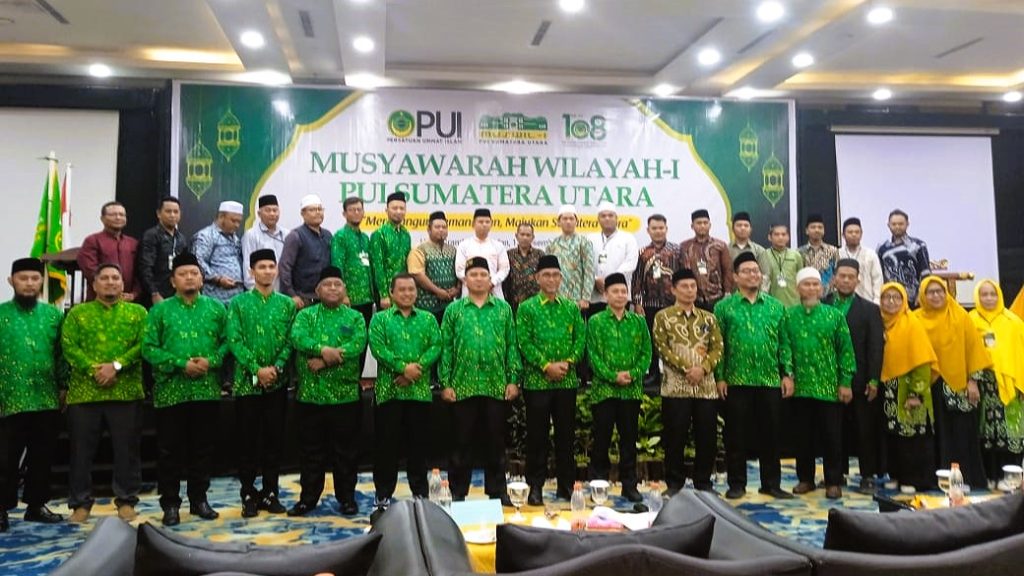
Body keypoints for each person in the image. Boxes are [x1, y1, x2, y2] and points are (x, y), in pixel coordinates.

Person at [142, 252, 227, 526]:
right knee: (170, 452)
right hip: (171, 393)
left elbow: (228, 342)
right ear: (172, 280)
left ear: (201, 279)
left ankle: (199, 500)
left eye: (194, 273)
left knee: (203, 449)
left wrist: (211, 361)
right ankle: (170, 504)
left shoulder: (216, 309)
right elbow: (149, 348)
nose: (189, 277)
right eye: (183, 274)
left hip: (206, 390)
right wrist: (181, 364)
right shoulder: (159, 311)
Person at [62, 263, 147, 523]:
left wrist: (116, 366)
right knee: (80, 452)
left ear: (123, 283)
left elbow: (144, 344)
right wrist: (95, 370)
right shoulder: (78, 314)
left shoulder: (138, 312)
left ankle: (126, 500)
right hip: (85, 394)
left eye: (115, 278)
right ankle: (80, 504)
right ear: (94, 284)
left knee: (127, 450)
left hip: (125, 392)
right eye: (105, 278)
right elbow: (69, 347)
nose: (110, 282)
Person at [287, 266, 367, 517]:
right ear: (318, 290)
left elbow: (357, 344)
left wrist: (324, 361)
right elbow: (297, 338)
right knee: (311, 453)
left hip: (345, 397)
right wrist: (324, 349)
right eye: (328, 284)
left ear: (344, 290)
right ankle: (308, 499)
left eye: (337, 284)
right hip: (311, 397)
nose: (333, 288)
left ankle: (347, 499)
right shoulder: (306, 316)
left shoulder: (355, 317)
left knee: (346, 454)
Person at [440, 257, 520, 505]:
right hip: (462, 385)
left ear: (490, 279)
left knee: (496, 442)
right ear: (465, 279)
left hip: (496, 385)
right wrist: (446, 383)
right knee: (461, 442)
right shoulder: (454, 310)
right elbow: (446, 347)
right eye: (473, 275)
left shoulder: (503, 309)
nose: (478, 279)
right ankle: (458, 492)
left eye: (483, 275)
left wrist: (513, 380)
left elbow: (511, 346)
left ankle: (497, 492)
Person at [714, 252, 794, 500]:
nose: (753, 275)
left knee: (771, 435)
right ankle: (737, 484)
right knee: (736, 435)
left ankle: (771, 484)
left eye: (756, 271)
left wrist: (787, 373)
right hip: (736, 379)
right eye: (747, 271)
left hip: (769, 379)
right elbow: (718, 345)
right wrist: (720, 377)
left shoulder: (775, 306)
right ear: (735, 277)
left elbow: (784, 342)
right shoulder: (723, 307)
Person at [226, 249, 295, 518]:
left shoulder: (286, 304)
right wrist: (257, 370)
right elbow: (235, 340)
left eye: (271, 266)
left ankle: (270, 492)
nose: (267, 271)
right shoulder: (238, 303)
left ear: (276, 270)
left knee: (273, 441)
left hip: (277, 383)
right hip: (248, 384)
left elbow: (290, 340)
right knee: (248, 442)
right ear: (251, 271)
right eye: (261, 267)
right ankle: (248, 493)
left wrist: (276, 369)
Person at [0, 258, 65, 532]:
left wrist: (63, 386)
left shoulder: (53, 315)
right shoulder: (1, 314)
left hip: (46, 397)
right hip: (9, 398)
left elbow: (61, 355)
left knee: (42, 455)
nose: (29, 283)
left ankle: (36, 505)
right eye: (23, 278)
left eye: (34, 279)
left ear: (41, 282)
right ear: (11, 281)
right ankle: (1, 509)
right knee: (5, 457)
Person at [516, 255, 585, 505]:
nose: (551, 279)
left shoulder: (571, 308)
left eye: (555, 275)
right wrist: (546, 365)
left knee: (566, 436)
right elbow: (524, 342)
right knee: (537, 437)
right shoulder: (527, 308)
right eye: (546, 275)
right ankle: (535, 487)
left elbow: (580, 339)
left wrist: (568, 362)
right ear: (537, 278)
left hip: (566, 381)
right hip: (537, 382)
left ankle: (566, 487)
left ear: (561, 278)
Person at [368, 274, 441, 507]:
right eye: (402, 289)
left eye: (411, 289)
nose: (407, 293)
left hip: (419, 392)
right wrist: (402, 368)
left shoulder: (428, 319)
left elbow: (436, 345)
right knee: (386, 447)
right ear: (391, 292)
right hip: (389, 391)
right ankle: (383, 494)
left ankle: (420, 494)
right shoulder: (380, 319)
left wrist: (415, 370)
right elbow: (378, 348)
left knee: (418, 446)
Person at [785, 267, 856, 499]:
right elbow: (784, 348)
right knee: (802, 436)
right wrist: (788, 375)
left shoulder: (834, 316)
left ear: (822, 288)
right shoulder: (789, 316)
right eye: (807, 284)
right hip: (801, 388)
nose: (812, 288)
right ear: (798, 288)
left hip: (829, 387)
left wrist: (845, 381)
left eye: (815, 284)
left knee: (832, 437)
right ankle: (805, 479)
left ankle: (833, 481)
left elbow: (846, 351)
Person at [915, 275, 990, 488]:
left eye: (939, 291)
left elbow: (974, 349)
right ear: (923, 295)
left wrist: (973, 381)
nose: (936, 296)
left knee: (961, 433)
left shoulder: (960, 316)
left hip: (958, 385)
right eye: (930, 292)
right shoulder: (916, 319)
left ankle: (964, 478)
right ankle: (936, 480)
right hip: (928, 384)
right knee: (933, 434)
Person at [654, 268, 722, 496]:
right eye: (684, 286)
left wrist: (702, 369)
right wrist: (687, 369)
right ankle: (674, 484)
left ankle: (703, 483)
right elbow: (662, 348)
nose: (690, 290)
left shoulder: (708, 318)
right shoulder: (663, 317)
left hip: (705, 387)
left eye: (693, 286)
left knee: (707, 436)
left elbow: (717, 348)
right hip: (676, 387)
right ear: (673, 289)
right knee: (675, 437)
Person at [587, 272, 650, 502]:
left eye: (624, 291)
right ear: (605, 295)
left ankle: (629, 485)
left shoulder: (638, 322)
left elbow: (646, 353)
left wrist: (632, 374)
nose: (620, 295)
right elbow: (592, 355)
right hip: (604, 391)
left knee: (628, 441)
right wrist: (613, 376)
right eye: (615, 291)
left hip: (631, 391)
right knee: (601, 441)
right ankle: (599, 487)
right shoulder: (595, 322)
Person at [824, 259, 886, 491]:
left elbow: (875, 347)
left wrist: (873, 379)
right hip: (829, 379)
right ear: (834, 278)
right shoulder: (823, 305)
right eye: (842, 276)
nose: (846, 280)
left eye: (851, 277)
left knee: (864, 430)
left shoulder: (870, 310)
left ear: (858, 280)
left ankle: (867, 475)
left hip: (861, 380)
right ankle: (836, 474)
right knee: (834, 430)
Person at [878, 282, 939, 492]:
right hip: (889, 391)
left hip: (909, 390)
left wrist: (916, 394)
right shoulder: (881, 323)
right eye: (886, 297)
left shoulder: (912, 324)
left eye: (896, 297)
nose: (891, 302)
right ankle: (896, 474)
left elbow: (922, 363)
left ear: (904, 300)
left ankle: (913, 479)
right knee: (893, 435)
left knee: (912, 437)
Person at [968, 280, 1024, 486]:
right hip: (983, 384)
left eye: (993, 294)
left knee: (1012, 433)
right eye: (984, 294)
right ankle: (990, 476)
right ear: (977, 297)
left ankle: (1011, 478)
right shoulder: (971, 320)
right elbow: (968, 352)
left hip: (1011, 385)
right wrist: (972, 380)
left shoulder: (1013, 321)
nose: (989, 298)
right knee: (986, 432)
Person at [633, 214, 680, 389]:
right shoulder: (643, 253)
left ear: (666, 229)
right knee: (652, 342)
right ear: (648, 230)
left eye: (661, 228)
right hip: (650, 305)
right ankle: (653, 374)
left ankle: (672, 374)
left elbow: (683, 277)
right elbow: (637, 280)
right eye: (654, 228)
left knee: (673, 341)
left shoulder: (677, 251)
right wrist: (638, 303)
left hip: (673, 305)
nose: (658, 231)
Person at [331, 196, 374, 370]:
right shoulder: (340, 237)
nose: (356, 213)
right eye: (352, 210)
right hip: (349, 301)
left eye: (359, 209)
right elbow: (337, 266)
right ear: (344, 213)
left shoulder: (365, 238)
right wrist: (343, 295)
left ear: (363, 212)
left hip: (367, 299)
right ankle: (346, 378)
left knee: (362, 341)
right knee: (347, 340)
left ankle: (357, 379)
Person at [77, 201, 139, 301]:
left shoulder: (133, 243)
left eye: (122, 215)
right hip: (99, 300)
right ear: (102, 218)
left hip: (129, 300)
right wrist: (113, 289)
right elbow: (90, 271)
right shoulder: (92, 241)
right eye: (113, 214)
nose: (118, 217)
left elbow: (139, 271)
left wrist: (134, 293)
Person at [280, 194, 333, 310]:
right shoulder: (295, 236)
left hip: (324, 298)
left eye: (320, 209)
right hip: (303, 299)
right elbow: (285, 267)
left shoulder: (328, 235)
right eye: (312, 210)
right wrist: (291, 295)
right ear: (303, 214)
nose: (318, 213)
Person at [408, 211, 460, 325]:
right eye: (437, 227)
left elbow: (459, 272)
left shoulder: (453, 250)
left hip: (448, 305)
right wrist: (438, 291)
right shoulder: (419, 250)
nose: (441, 230)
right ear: (429, 229)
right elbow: (418, 275)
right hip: (426, 305)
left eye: (444, 227)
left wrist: (457, 289)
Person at [589, 201, 638, 316]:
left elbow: (630, 264)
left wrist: (610, 282)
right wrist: (595, 279)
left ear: (616, 218)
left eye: (610, 215)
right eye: (603, 216)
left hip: (620, 296)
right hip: (596, 295)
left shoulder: (628, 238)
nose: (607, 218)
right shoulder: (590, 239)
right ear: (598, 219)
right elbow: (586, 264)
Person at [138, 196, 189, 307]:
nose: (172, 215)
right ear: (159, 214)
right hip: (156, 293)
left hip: (176, 293)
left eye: (176, 212)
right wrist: (154, 292)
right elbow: (145, 267)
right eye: (168, 211)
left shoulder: (181, 239)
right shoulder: (151, 235)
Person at [192, 200, 245, 305]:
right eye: (233, 221)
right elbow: (198, 261)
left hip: (237, 298)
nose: (237, 225)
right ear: (221, 217)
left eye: (239, 222)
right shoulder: (206, 235)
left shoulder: (235, 239)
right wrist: (218, 279)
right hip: (215, 297)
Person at [680, 209, 734, 311]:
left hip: (717, 297)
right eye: (699, 223)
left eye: (705, 223)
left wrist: (727, 292)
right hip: (693, 298)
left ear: (710, 225)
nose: (702, 226)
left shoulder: (720, 245)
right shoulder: (684, 246)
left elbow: (727, 269)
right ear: (692, 226)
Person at [546, 205, 596, 312]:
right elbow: (547, 272)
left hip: (577, 298)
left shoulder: (584, 242)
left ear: (576, 221)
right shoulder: (552, 244)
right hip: (556, 297)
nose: (568, 222)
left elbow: (589, 271)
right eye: (565, 219)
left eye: (571, 219)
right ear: (559, 222)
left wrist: (585, 298)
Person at [877, 209, 931, 308]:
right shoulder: (882, 248)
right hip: (890, 298)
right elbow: (879, 274)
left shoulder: (918, 245)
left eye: (901, 224)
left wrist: (921, 294)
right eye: (894, 224)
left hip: (913, 298)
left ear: (907, 224)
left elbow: (925, 273)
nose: (897, 226)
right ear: (888, 225)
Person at [455, 208, 511, 299]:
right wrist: (474, 283)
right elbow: (459, 270)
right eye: (480, 222)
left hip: (494, 292)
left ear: (491, 224)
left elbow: (504, 269)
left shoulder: (498, 246)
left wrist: (492, 282)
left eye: (487, 222)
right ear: (473, 224)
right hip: (469, 293)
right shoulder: (464, 245)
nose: (484, 224)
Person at [369, 192, 411, 310]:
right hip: (387, 293)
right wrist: (383, 295)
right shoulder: (379, 234)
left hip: (404, 291)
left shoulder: (406, 234)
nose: (398, 211)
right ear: (386, 210)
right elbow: (377, 266)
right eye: (394, 208)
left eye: (402, 208)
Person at [241, 195, 288, 291]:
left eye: (275, 210)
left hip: (284, 291)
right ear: (259, 214)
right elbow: (248, 265)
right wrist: (255, 292)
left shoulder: (286, 234)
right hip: (261, 291)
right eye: (268, 210)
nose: (272, 214)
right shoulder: (251, 235)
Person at [838, 217, 883, 304]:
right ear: (843, 235)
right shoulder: (838, 254)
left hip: (867, 302)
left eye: (857, 232)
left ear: (861, 234)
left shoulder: (871, 254)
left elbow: (878, 280)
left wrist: (876, 302)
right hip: (842, 302)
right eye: (850, 232)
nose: (854, 235)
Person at [758, 224, 802, 307]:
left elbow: (801, 279)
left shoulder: (796, 255)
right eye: (776, 234)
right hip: (771, 304)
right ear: (769, 237)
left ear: (788, 237)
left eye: (783, 234)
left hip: (794, 304)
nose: (780, 237)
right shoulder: (763, 255)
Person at [504, 222, 543, 312]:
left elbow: (544, 277)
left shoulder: (540, 255)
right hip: (513, 303)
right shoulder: (508, 255)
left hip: (535, 302)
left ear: (533, 237)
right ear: (516, 236)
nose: (525, 237)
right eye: (522, 234)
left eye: (528, 235)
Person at [797, 214, 839, 297]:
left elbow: (837, 273)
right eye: (813, 227)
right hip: (806, 296)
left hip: (828, 296)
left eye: (820, 227)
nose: (817, 230)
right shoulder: (799, 252)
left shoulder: (833, 251)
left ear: (824, 230)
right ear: (807, 231)